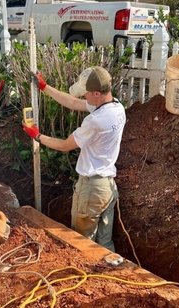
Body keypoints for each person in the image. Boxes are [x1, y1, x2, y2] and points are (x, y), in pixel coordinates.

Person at [22, 66, 126, 252]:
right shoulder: (117, 107)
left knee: (83, 245)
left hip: (91, 190)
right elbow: (72, 102)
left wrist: (37, 136)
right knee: (105, 243)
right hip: (108, 188)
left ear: (96, 93)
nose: (83, 97)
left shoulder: (95, 121)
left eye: (85, 94)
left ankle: (90, 279)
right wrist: (45, 87)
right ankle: (109, 277)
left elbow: (64, 146)